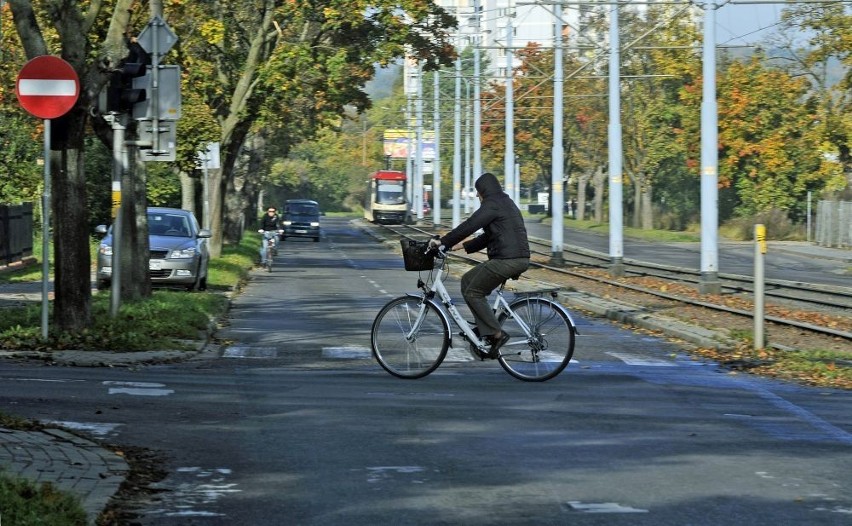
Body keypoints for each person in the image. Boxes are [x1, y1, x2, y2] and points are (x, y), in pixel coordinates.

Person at [430, 172, 530, 358]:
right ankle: (485, 330)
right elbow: (489, 236)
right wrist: (460, 246)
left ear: (484, 190)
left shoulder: (492, 205)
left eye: (478, 192)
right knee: (468, 280)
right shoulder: (504, 202)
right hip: (514, 257)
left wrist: (444, 242)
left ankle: (496, 334)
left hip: (508, 260)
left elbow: (470, 225)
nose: (477, 196)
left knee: (473, 292)